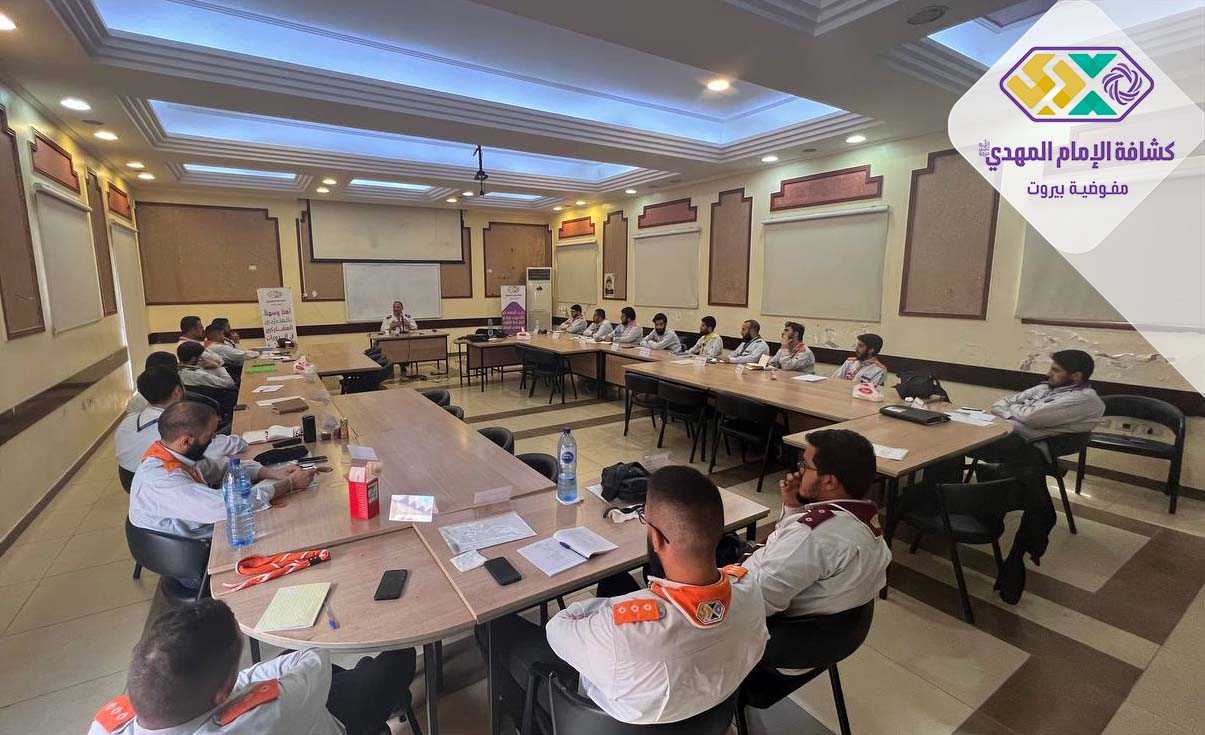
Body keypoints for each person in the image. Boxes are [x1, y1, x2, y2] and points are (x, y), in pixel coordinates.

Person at [487, 466, 768, 725]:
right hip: (707, 717)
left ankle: (525, 720)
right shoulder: (751, 592)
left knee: (496, 627)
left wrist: (613, 606)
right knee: (614, 579)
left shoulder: (617, 630)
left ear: (656, 537)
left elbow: (557, 628)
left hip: (596, 722)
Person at [915, 350, 1105, 604]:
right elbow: (1001, 404)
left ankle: (939, 501)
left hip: (1029, 452)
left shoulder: (1085, 400)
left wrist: (1017, 414)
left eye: (1056, 370)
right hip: (1012, 440)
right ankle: (937, 500)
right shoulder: (1046, 388)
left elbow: (1031, 417)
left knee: (949, 445)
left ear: (1077, 376)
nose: (1049, 373)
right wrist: (1019, 414)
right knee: (947, 442)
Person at [88, 599, 416, 735]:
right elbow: (314, 658)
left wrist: (236, 679)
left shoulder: (104, 727)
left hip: (298, 708)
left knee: (307, 667)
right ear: (222, 693)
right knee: (398, 659)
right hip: (332, 719)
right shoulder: (267, 712)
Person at [744, 429, 890, 619]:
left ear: (829, 481)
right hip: (829, 624)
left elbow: (754, 601)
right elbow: (790, 547)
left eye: (805, 465)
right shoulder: (862, 517)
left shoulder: (812, 536)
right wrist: (793, 507)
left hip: (757, 610)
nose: (799, 471)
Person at [128, 401, 314, 541]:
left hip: (204, 528)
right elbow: (229, 506)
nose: (214, 438)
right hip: (192, 550)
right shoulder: (162, 480)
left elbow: (223, 467)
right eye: (209, 436)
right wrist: (289, 484)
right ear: (186, 441)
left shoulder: (175, 455)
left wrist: (271, 473)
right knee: (293, 529)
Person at [115, 367, 248, 475]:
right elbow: (226, 447)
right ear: (178, 391)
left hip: (131, 479)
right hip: (173, 480)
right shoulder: (179, 426)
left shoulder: (127, 422)